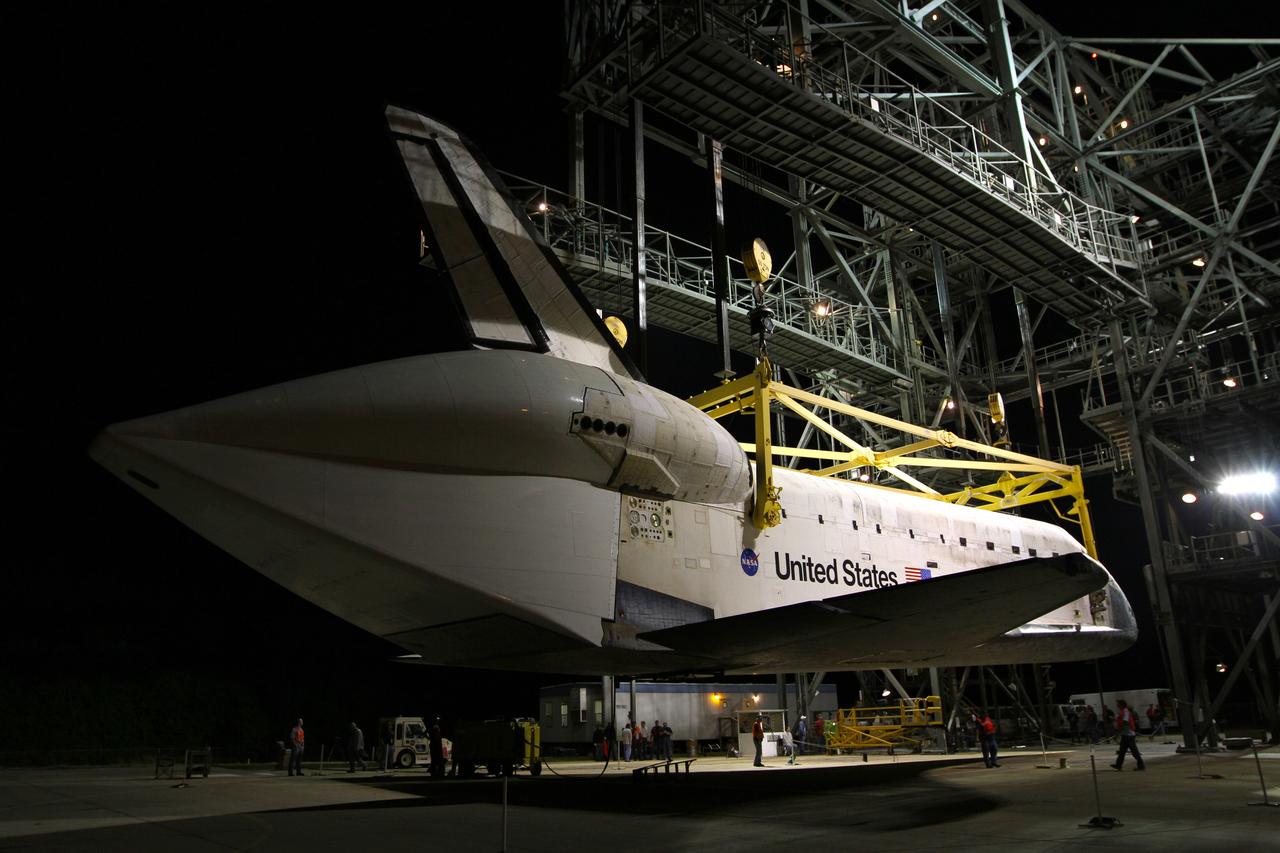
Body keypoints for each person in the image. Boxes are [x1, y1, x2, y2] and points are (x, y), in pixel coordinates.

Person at [1112, 699, 1145, 770]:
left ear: (1122, 705)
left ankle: (1141, 765)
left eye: (1118, 704)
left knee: (1134, 751)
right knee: (1122, 751)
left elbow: (1125, 722)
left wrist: (1118, 733)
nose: (1117, 705)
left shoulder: (1125, 711)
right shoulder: (1122, 711)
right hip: (1126, 735)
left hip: (1128, 735)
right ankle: (1118, 765)